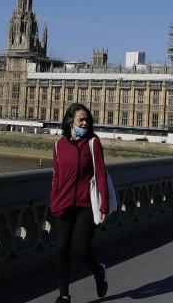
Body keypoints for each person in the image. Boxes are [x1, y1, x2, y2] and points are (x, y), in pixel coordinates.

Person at [50, 103, 109, 303]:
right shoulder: (59, 145)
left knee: (82, 250)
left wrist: (103, 207)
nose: (85, 123)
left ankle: (98, 271)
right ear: (70, 121)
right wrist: (53, 201)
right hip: (63, 203)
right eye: (81, 120)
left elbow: (100, 174)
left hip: (85, 204)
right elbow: (56, 177)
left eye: (87, 120)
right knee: (61, 249)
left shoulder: (93, 143)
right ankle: (64, 296)